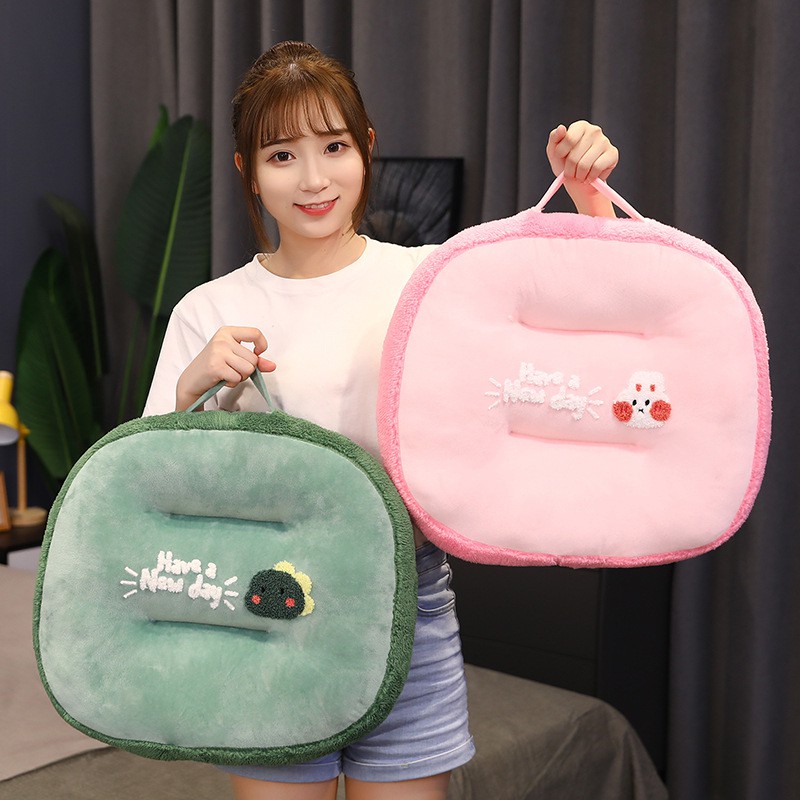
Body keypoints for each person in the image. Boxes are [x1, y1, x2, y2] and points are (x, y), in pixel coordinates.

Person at [143, 40, 619, 800]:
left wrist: (590, 198)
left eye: (334, 147)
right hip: (264, 607)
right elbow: (158, 493)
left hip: (407, 602)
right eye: (281, 155)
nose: (313, 178)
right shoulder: (208, 310)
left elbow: (578, 319)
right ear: (247, 171)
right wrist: (190, 392)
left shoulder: (426, 278)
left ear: (366, 148)